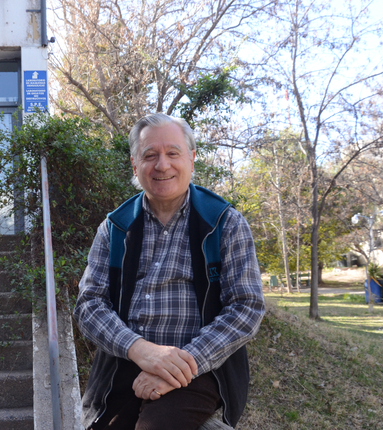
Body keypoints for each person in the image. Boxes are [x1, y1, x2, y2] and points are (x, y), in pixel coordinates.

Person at [73, 114, 265, 430]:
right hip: (125, 362)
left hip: (202, 368)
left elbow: (247, 307)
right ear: (136, 166)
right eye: (150, 155)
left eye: (173, 153)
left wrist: (179, 366)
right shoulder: (115, 228)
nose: (162, 165)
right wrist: (141, 351)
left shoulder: (225, 223)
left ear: (191, 158)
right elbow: (89, 305)